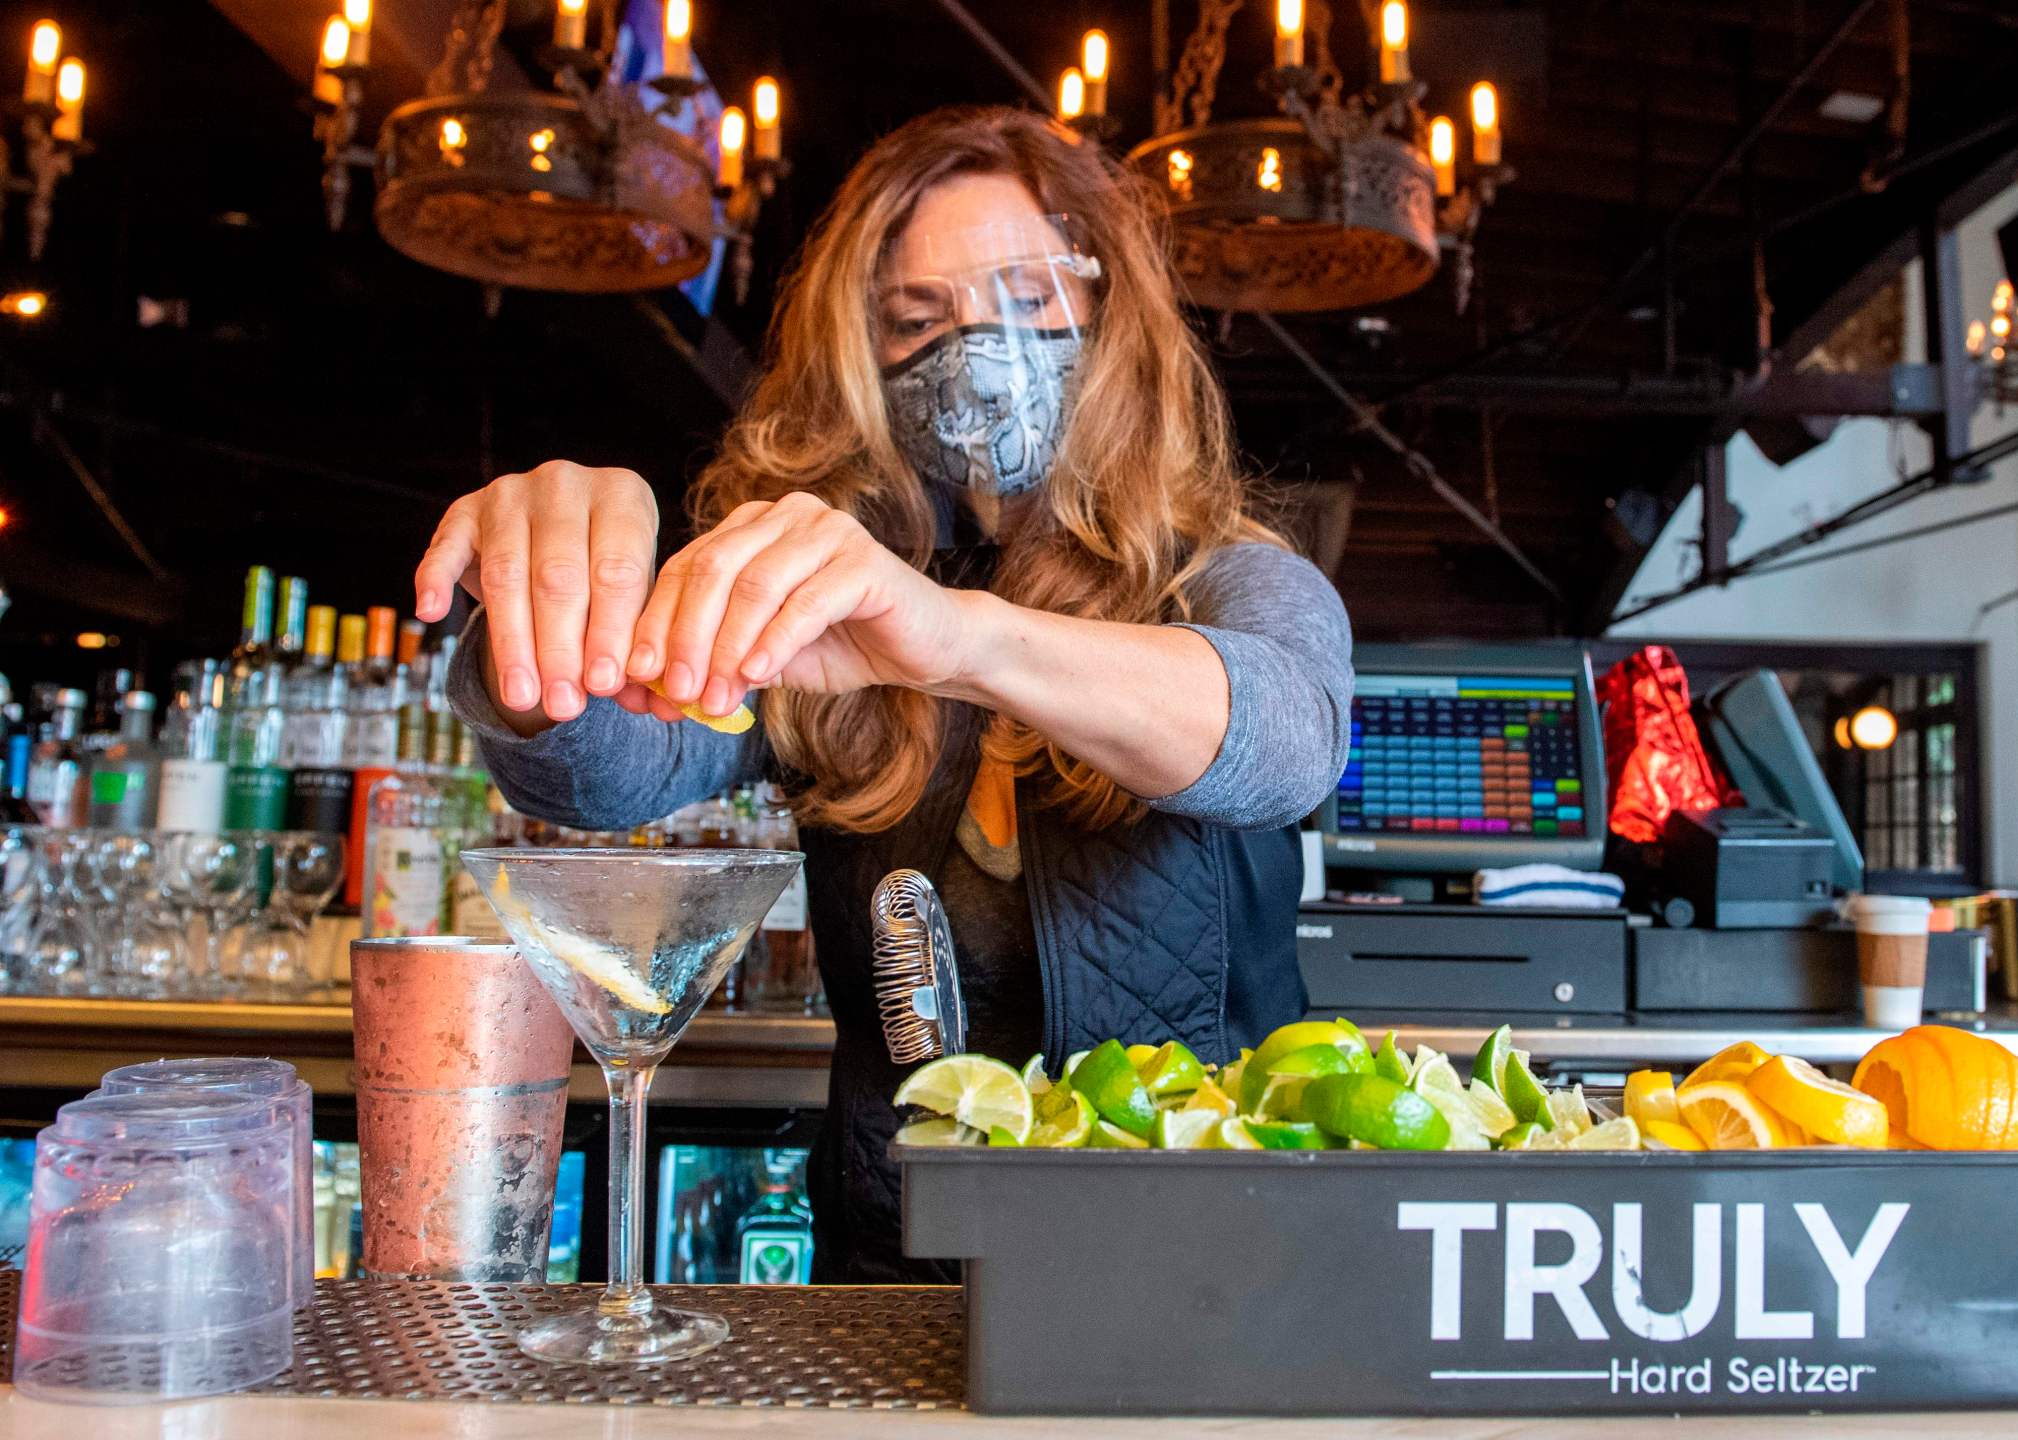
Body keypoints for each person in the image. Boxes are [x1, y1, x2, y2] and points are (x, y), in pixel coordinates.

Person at [412, 106, 1351, 1281]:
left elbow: (1285, 742)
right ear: (862, 361)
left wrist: (951, 634)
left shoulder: (1236, 580)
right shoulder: (834, 602)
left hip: (1214, 1258)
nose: (978, 347)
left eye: (1026, 293)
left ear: (1114, 316)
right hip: (900, 1268)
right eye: (918, 319)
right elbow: (609, 772)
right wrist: (551, 625)